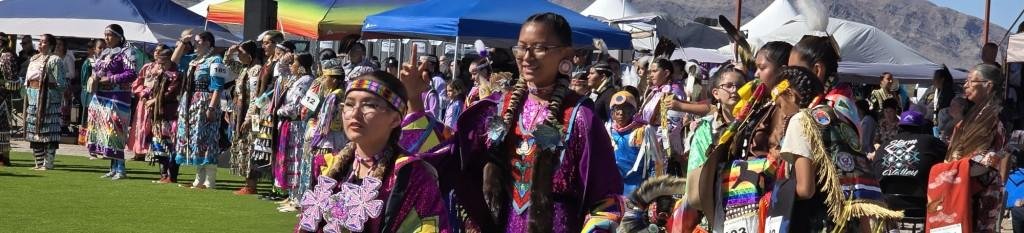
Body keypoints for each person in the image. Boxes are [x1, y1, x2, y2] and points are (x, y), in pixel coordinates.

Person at [446, 12, 623, 232]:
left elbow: (606, 199)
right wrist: (414, 103)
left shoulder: (579, 117)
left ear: (565, 54)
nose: (527, 57)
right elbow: (455, 160)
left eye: (539, 48)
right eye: (521, 47)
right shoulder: (497, 109)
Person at [296, 71, 450, 233]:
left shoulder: (410, 174)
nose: (354, 113)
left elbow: (430, 225)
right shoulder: (325, 165)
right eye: (349, 104)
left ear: (395, 119)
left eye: (370, 105)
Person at [776, 36, 900, 232]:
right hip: (846, 222)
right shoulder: (841, 109)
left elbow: (805, 188)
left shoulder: (806, 118)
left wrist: (773, 193)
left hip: (815, 220)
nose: (787, 78)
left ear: (817, 70)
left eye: (793, 71)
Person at [927, 63, 1008, 232]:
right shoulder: (972, 116)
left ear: (988, 85)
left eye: (971, 81)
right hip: (962, 186)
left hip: (981, 192)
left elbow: (987, 160)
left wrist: (952, 168)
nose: (965, 85)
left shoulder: (992, 119)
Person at [872, 110, 945, 226]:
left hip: (888, 209)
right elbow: (949, 161)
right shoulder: (931, 141)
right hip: (920, 208)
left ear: (899, 126)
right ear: (922, 127)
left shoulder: (884, 145)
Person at [173, 31, 225, 189]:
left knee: (207, 139)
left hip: (205, 102)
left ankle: (210, 180)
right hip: (190, 102)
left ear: (208, 43)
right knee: (195, 139)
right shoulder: (193, 60)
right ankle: (199, 179)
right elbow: (174, 60)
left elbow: (217, 87)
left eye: (198, 41)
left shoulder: (215, 60)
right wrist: (183, 41)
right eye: (194, 42)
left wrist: (211, 107)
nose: (195, 44)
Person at [88, 24, 138, 179]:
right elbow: (97, 70)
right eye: (105, 34)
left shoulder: (127, 52)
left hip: (118, 98)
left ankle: (121, 169)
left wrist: (111, 78)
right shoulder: (105, 52)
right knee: (106, 134)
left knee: (116, 133)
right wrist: (95, 77)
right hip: (101, 98)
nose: (106, 38)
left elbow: (132, 73)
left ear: (119, 36)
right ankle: (113, 168)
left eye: (109, 35)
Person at [273, 53, 315, 212]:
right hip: (290, 124)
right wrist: (283, 60)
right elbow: (281, 71)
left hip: (298, 125)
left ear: (302, 66)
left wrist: (278, 111)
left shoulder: (306, 81)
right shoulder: (295, 79)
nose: (291, 66)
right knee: (289, 158)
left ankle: (298, 199)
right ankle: (291, 196)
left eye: (294, 63)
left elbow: (296, 106)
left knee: (297, 159)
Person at [300, 58, 347, 198]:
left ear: (333, 79)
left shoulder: (333, 96)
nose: (323, 80)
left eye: (325, 77)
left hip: (328, 141)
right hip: (336, 139)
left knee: (323, 173)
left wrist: (312, 133)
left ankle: (321, 203)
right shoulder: (340, 93)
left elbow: (324, 126)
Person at [224, 40, 266, 195]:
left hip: (254, 115)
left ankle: (251, 183)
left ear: (250, 54)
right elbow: (228, 63)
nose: (239, 56)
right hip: (241, 112)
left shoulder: (256, 70)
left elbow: (255, 97)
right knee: (243, 145)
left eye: (241, 53)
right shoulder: (244, 69)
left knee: (252, 145)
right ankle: (247, 182)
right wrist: (231, 52)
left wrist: (248, 118)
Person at [135, 47, 182, 184]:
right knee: (158, 144)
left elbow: (170, 93)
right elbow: (152, 88)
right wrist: (144, 94)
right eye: (159, 63)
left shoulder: (176, 75)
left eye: (162, 63)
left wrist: (154, 100)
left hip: (171, 114)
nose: (160, 66)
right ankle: (163, 175)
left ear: (169, 61)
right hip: (158, 115)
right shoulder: (161, 74)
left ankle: (172, 176)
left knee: (171, 145)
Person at [24, 34, 66, 171]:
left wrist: (47, 86)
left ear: (51, 45)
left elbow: (61, 83)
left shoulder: (55, 60)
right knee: (34, 130)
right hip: (33, 98)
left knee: (49, 131)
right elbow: (27, 80)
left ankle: (48, 163)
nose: (40, 44)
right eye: (40, 42)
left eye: (44, 42)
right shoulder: (34, 59)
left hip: (48, 100)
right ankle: (38, 162)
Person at [638, 58, 685, 176]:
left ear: (666, 73)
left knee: (660, 183)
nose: (651, 75)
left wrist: (656, 142)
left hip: (663, 147)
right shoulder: (654, 91)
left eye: (654, 71)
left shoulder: (674, 91)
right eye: (650, 72)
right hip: (649, 144)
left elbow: (673, 124)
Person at [127, 45, 169, 157]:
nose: (157, 52)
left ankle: (155, 151)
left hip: (158, 100)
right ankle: (139, 152)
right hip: (144, 100)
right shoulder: (147, 66)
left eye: (160, 51)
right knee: (140, 125)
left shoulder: (166, 68)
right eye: (156, 50)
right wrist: (142, 93)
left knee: (154, 125)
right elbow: (137, 82)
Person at [606, 90, 647, 195]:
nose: (621, 113)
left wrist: (653, 194)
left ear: (634, 111)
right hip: (610, 189)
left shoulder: (641, 132)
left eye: (626, 109)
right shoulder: (607, 131)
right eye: (617, 109)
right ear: (611, 113)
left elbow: (654, 164)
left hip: (636, 191)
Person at [79, 39, 105, 130]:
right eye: (100, 48)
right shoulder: (89, 62)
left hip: (104, 95)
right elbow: (84, 81)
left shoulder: (109, 62)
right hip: (90, 94)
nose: (102, 50)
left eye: (105, 48)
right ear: (94, 49)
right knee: (89, 119)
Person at [0, 33, 15, 166]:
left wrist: (3, 82)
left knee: (3, 130)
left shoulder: (7, 57)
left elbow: (13, 82)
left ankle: (4, 158)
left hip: (2, 99)